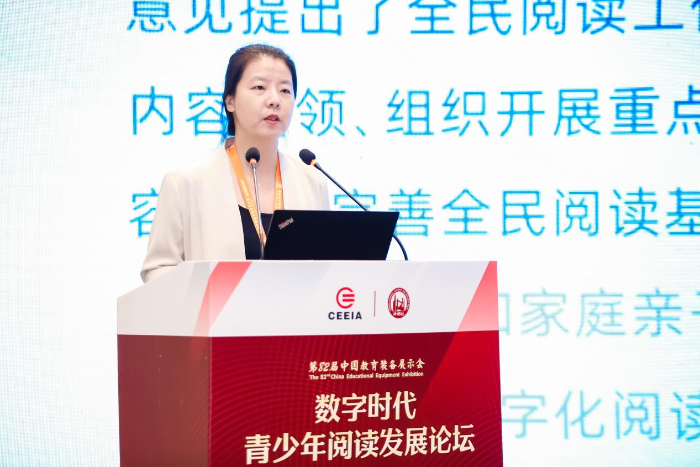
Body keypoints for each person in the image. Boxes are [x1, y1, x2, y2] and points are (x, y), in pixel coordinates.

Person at [140, 44, 329, 283]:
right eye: (259, 87)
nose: (274, 100)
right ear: (230, 101)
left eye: (285, 90)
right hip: (212, 308)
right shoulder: (185, 183)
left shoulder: (313, 181)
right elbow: (157, 270)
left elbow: (327, 270)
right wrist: (206, 294)